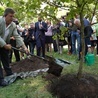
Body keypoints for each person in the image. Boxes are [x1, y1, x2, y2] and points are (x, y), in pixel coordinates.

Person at [0, 8, 29, 86]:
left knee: (5, 59)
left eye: (13, 16)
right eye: (10, 16)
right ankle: (1, 80)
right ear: (5, 16)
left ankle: (9, 73)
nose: (12, 18)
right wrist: (4, 45)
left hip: (4, 44)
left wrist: (24, 47)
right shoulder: (0, 21)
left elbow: (17, 36)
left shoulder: (13, 25)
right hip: (3, 43)